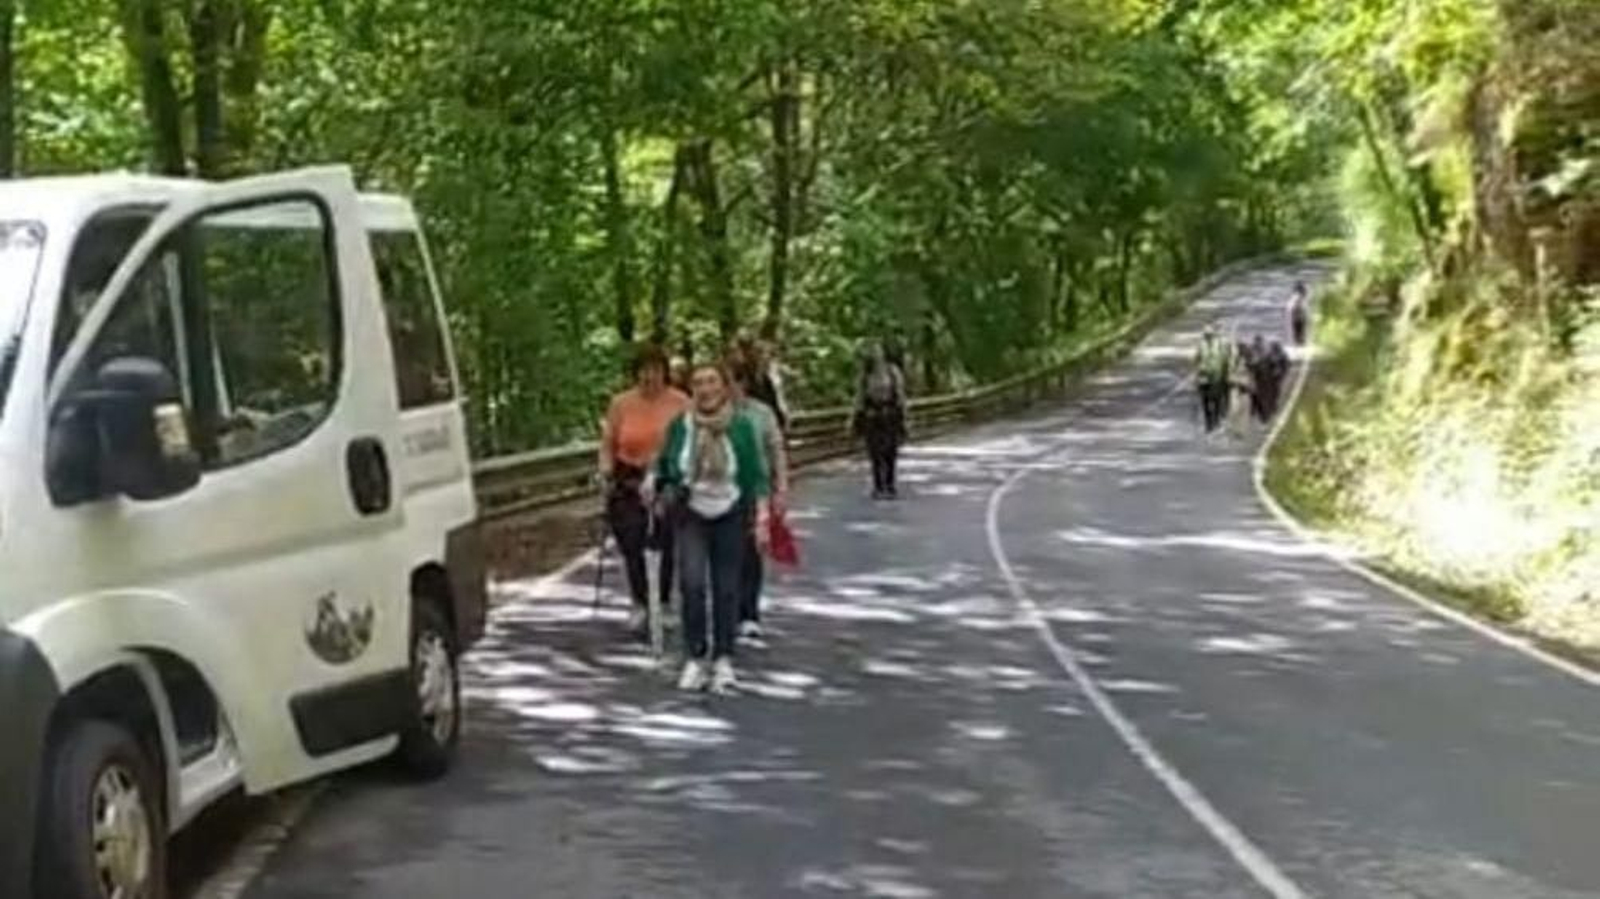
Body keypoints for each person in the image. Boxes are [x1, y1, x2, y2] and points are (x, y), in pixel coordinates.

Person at [655, 363, 772, 694]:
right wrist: (656, 481)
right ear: (692, 390)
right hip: (690, 510)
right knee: (692, 584)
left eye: (711, 382)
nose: (705, 389)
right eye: (698, 383)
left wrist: (762, 516)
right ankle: (695, 656)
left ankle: (723, 659)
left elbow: (755, 474)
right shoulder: (681, 425)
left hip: (731, 511)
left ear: (723, 388)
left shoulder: (741, 425)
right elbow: (665, 462)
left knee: (726, 587)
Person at [598, 344, 688, 636]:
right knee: (631, 540)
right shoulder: (621, 403)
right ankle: (639, 601)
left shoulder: (680, 402)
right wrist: (605, 471)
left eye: (656, 371)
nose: (650, 377)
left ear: (665, 373)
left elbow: (690, 442)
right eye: (644, 371)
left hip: (666, 475)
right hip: (628, 475)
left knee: (663, 539)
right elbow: (608, 442)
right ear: (635, 374)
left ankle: (662, 601)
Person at [730, 359, 789, 643]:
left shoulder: (761, 413)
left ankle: (749, 613)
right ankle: (728, 610)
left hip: (756, 490)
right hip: (722, 490)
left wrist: (781, 488)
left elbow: (776, 450)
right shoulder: (712, 414)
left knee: (751, 552)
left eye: (732, 382)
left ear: (742, 383)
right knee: (725, 553)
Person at [854, 341, 907, 499]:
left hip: (890, 414)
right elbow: (859, 396)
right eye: (873, 352)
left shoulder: (893, 372)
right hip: (873, 415)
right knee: (875, 452)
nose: (876, 354)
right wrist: (856, 416)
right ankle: (878, 486)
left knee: (890, 451)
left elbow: (901, 394)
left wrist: (904, 416)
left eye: (878, 351)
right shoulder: (866, 374)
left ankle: (890, 485)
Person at [1194, 325, 1231, 434]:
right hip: (1204, 375)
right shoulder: (1201, 344)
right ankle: (1208, 423)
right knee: (1205, 400)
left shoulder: (1219, 344)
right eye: (1206, 335)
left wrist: (1226, 374)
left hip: (1217, 375)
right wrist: (1197, 372)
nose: (1208, 337)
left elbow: (1225, 359)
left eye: (1210, 335)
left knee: (1216, 399)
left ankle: (1216, 419)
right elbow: (1197, 358)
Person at [1226, 336, 1256, 438]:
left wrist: (1250, 384)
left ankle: (1241, 431)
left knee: (1244, 410)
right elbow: (1228, 376)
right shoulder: (1232, 361)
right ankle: (1236, 429)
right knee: (1234, 410)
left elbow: (1252, 375)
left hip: (1244, 389)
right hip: (1235, 388)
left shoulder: (1249, 362)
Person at [1289, 281, 1310, 346]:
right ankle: (1300, 346)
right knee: (1300, 337)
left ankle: (1299, 345)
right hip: (1298, 319)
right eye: (1305, 290)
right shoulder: (1298, 297)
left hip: (1298, 318)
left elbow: (1293, 309)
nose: (1307, 292)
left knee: (1299, 337)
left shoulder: (1297, 297)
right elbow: (1295, 308)